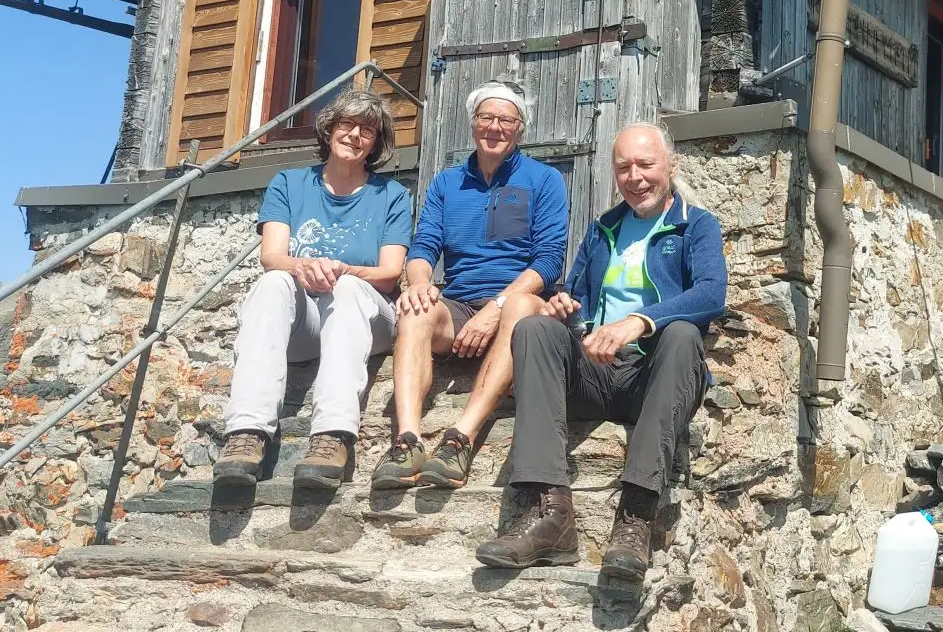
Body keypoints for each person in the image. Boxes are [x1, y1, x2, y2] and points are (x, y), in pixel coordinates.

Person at [475, 122, 727, 590]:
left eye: (646, 164)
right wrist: (564, 309)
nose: (635, 177)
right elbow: (577, 299)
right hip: (596, 372)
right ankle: (551, 514)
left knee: (681, 335)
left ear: (670, 165)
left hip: (655, 377)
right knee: (534, 328)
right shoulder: (603, 228)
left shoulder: (696, 225)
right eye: (624, 167)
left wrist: (641, 321)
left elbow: (712, 293)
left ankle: (636, 517)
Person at [371, 81, 568, 490]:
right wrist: (419, 283)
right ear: (473, 123)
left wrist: (497, 307)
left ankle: (460, 437)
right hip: (459, 304)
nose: (495, 127)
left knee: (520, 306)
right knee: (415, 307)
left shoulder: (544, 179)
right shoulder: (446, 184)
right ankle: (407, 441)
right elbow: (424, 247)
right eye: (486, 118)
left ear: (520, 128)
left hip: (517, 304)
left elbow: (548, 261)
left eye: (506, 120)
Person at [214, 90, 413, 490]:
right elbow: (272, 257)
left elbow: (391, 273)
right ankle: (247, 432)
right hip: (306, 325)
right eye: (347, 124)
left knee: (349, 287)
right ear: (329, 128)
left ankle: (332, 435)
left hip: (367, 319)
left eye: (367, 130)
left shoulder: (391, 195)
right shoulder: (289, 183)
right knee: (273, 282)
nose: (354, 135)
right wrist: (304, 266)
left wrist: (341, 270)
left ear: (377, 142)